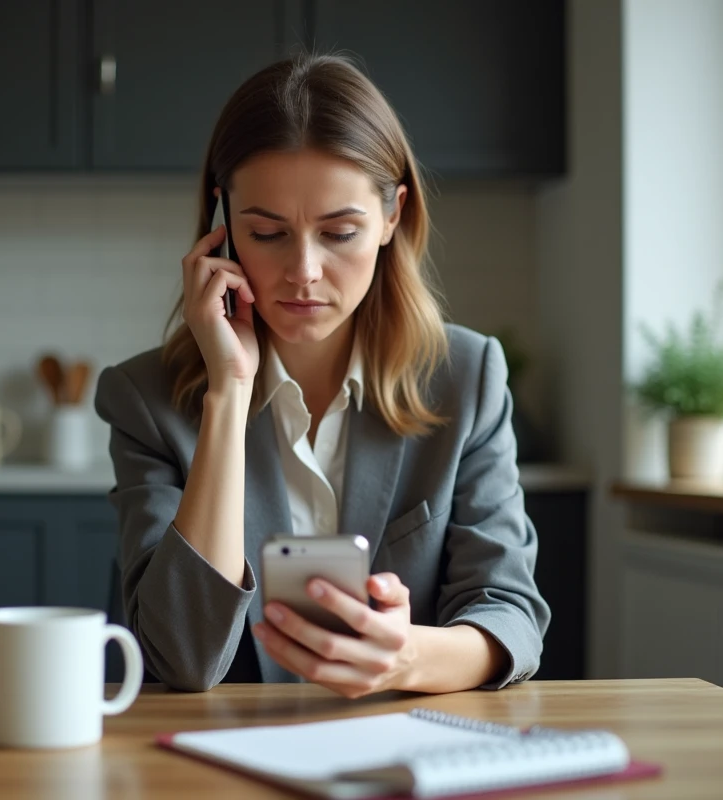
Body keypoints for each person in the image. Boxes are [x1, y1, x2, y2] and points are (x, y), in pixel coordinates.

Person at [95, 53, 549, 697]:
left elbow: (510, 615)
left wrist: (406, 656)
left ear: (393, 215)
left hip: (405, 752)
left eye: (339, 232)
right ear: (222, 225)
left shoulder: (467, 376)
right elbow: (180, 660)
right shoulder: (144, 400)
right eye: (267, 233)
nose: (303, 270)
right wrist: (227, 394)